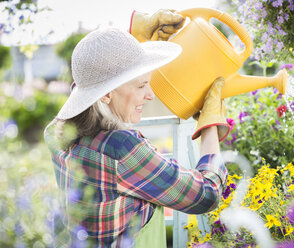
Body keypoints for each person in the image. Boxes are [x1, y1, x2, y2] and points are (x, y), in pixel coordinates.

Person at [44, 9, 230, 248]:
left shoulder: (57, 133)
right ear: (107, 94)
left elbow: (86, 85)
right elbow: (206, 195)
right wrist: (210, 123)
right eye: (142, 85)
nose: (150, 95)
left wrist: (129, 40)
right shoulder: (123, 148)